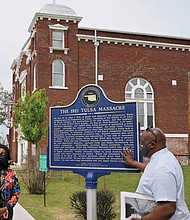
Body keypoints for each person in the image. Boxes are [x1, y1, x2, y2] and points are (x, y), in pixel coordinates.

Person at [123, 127, 190, 220]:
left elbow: (167, 208)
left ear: (152, 144)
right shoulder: (162, 158)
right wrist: (133, 163)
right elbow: (151, 172)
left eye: (142, 143)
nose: (140, 146)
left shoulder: (162, 168)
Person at [0, 144, 20, 220]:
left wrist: (5, 208)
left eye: (5, 154)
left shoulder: (12, 174)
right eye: (0, 154)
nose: (3, 156)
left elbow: (16, 193)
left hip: (7, 213)